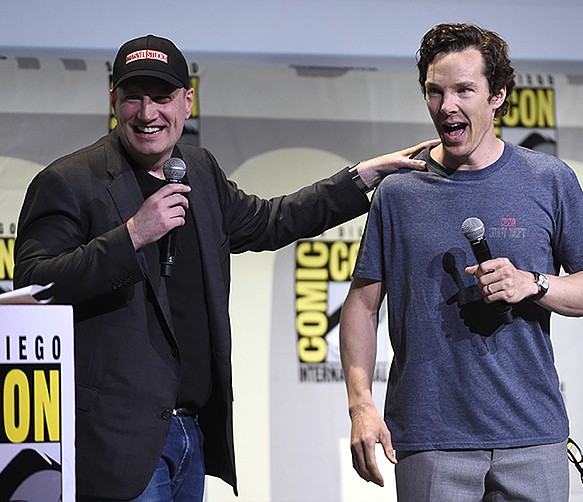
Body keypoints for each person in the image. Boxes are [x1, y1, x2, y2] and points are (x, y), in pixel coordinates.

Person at [13, 34, 436, 501]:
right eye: (133, 97)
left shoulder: (198, 169)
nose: (148, 113)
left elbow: (273, 221)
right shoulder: (69, 181)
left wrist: (363, 177)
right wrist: (132, 235)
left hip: (192, 434)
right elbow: (34, 285)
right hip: (115, 443)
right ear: (113, 100)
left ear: (187, 101)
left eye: (162, 97)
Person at [339, 23, 583, 501]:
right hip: (431, 441)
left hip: (533, 436)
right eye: (435, 91)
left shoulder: (548, 179)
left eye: (464, 90)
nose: (447, 106)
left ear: (498, 95)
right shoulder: (398, 192)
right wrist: (360, 405)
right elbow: (361, 307)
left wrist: (533, 283)